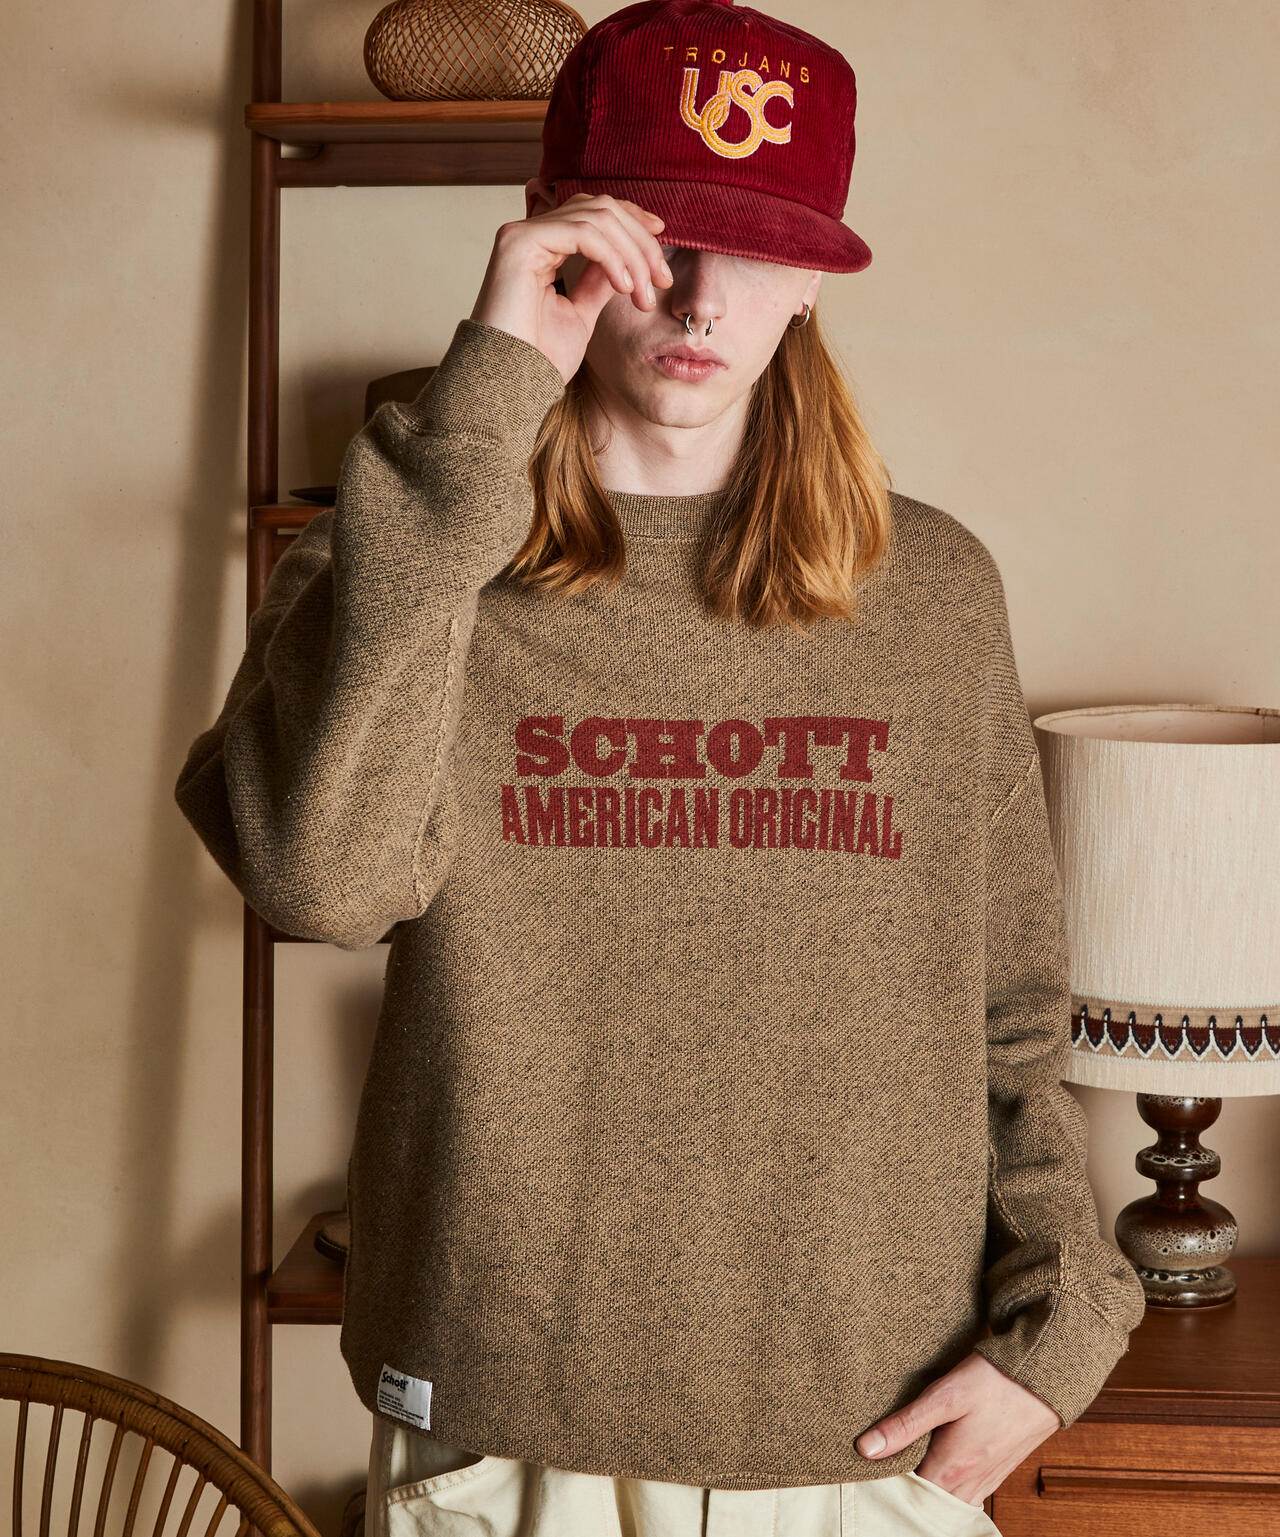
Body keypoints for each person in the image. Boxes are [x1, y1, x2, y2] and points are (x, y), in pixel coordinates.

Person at [174, 0, 1147, 1533]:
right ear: (553, 237)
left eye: (755, 247)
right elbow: (318, 883)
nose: (699, 295)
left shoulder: (932, 593)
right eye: (655, 237)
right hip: (508, 1423)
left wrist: (1065, 1318)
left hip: (864, 1428)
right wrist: (489, 385)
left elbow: (1009, 1007)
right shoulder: (410, 553)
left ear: (815, 280)